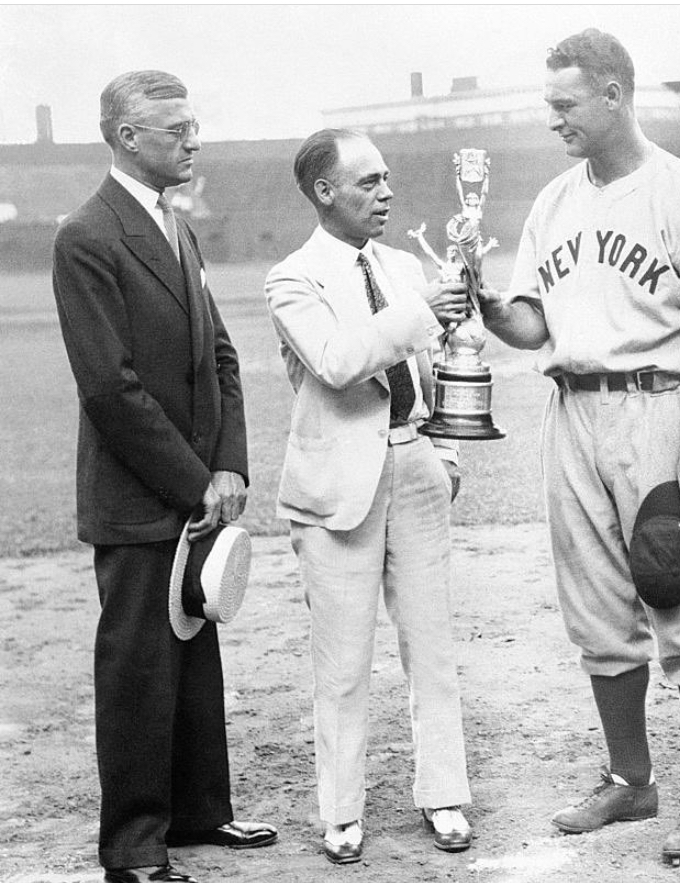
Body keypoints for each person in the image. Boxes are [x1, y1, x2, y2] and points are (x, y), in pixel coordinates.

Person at [479, 29, 680, 863]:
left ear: (612, 96)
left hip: (662, 411)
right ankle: (630, 779)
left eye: (564, 104)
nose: (551, 117)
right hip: (574, 410)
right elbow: (533, 324)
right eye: (548, 103)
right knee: (595, 606)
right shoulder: (555, 200)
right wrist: (487, 306)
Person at [51, 70, 276, 883]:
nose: (193, 140)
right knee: (140, 668)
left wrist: (229, 464)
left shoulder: (174, 225)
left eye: (194, 125)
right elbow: (109, 388)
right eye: (176, 129)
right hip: (139, 498)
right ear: (125, 138)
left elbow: (219, 353)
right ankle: (134, 847)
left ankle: (199, 811)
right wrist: (194, 482)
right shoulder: (87, 235)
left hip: (194, 488)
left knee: (193, 657)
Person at [264, 129, 475, 862]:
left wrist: (441, 449)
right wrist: (421, 306)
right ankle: (341, 811)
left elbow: (435, 364)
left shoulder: (400, 263)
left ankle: (445, 794)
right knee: (343, 661)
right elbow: (339, 361)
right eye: (367, 183)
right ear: (324, 192)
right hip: (336, 487)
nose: (385, 194)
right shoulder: (291, 277)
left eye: (386, 179)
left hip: (413, 463)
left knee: (433, 646)